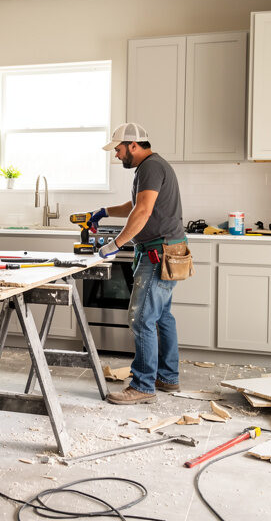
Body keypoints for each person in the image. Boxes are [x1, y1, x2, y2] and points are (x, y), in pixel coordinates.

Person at [85, 122, 188, 405]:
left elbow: (142, 211)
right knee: (162, 316)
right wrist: (104, 211)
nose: (116, 155)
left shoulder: (150, 167)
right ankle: (167, 377)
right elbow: (136, 206)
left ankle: (143, 386)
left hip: (158, 252)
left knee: (141, 318)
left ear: (133, 145)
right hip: (167, 249)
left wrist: (114, 245)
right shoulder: (151, 167)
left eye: (118, 149)